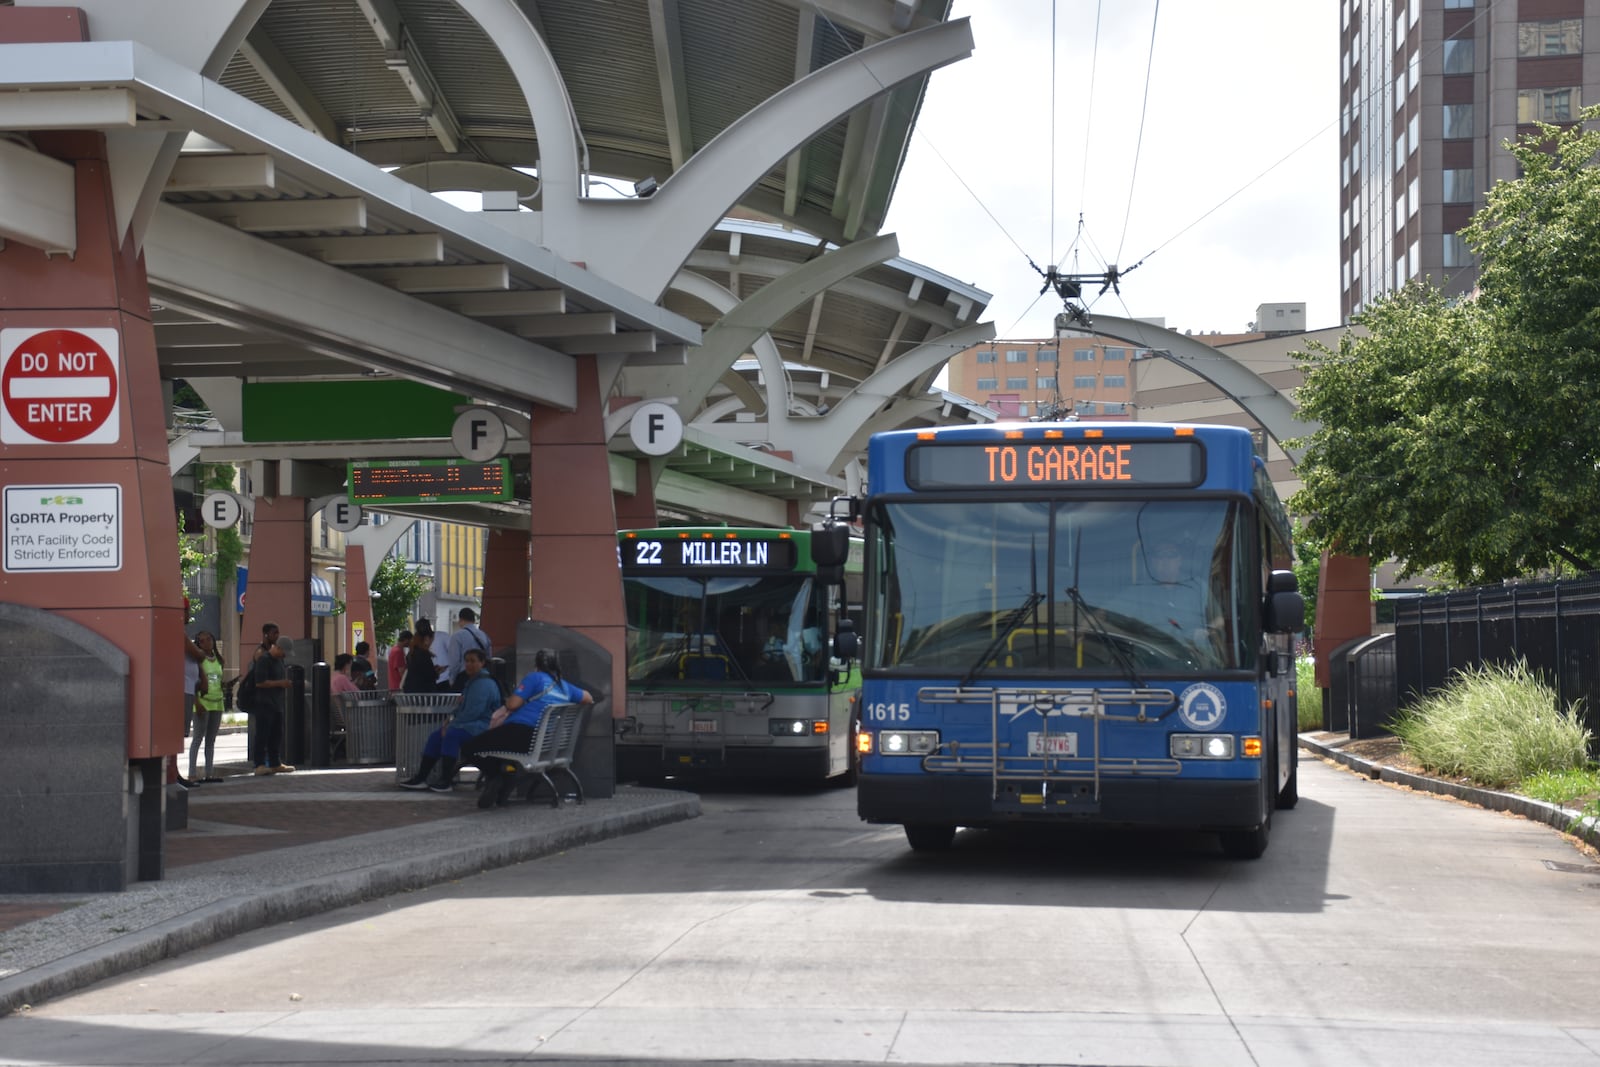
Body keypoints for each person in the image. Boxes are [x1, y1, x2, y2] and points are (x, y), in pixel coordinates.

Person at [461, 648, 593, 809]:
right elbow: (588, 698)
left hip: (522, 733)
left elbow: (512, 704)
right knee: (496, 747)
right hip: (545, 741)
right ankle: (504, 777)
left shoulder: (534, 678)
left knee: (470, 747)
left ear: (536, 664)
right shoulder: (564, 686)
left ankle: (498, 776)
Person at [398, 647, 501, 793]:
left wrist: (451, 725)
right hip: (469, 724)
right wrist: (450, 720)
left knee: (451, 735)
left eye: (473, 661)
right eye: (467, 661)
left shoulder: (483, 684)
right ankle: (422, 777)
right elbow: (463, 709)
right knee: (436, 736)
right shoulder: (473, 682)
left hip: (482, 727)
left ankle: (446, 779)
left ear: (482, 663)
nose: (469, 664)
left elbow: (473, 712)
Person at [250, 629, 296, 775]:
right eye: (284, 652)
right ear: (278, 648)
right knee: (262, 734)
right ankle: (259, 764)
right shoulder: (264, 660)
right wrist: (280, 683)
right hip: (264, 703)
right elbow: (260, 682)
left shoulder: (279, 661)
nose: (285, 656)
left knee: (276, 734)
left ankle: (275, 762)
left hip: (276, 703)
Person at [188, 631, 226, 784]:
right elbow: (194, 682)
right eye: (202, 641)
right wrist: (196, 702)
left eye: (209, 639)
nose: (206, 643)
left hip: (217, 702)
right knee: (198, 738)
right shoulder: (198, 660)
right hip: (203, 703)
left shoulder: (219, 660)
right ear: (198, 644)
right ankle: (192, 773)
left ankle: (209, 773)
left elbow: (217, 679)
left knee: (211, 740)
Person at [176, 630, 206, 788]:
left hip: (188, 688)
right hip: (183, 689)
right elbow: (200, 655)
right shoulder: (179, 633)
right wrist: (201, 650)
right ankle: (172, 773)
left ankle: (173, 773)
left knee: (180, 734)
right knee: (178, 734)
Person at [444, 607, 491, 686]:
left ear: (460, 620)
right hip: (482, 676)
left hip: (464, 677)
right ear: (473, 620)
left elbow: (454, 663)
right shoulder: (484, 635)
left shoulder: (457, 636)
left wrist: (452, 680)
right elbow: (488, 657)